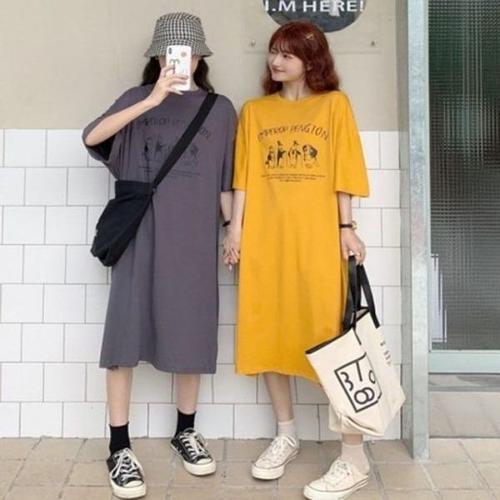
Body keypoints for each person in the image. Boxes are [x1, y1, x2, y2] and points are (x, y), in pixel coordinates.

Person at [83, 12, 236, 499]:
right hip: (140, 235)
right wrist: (152, 99)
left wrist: (234, 231)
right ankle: (119, 446)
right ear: (157, 56)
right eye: (172, 52)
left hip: (193, 238)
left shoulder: (220, 109)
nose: (181, 60)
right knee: (124, 333)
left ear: (200, 56)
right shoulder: (136, 98)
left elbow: (226, 180)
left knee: (192, 329)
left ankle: (185, 431)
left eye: (188, 52)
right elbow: (92, 137)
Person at [224, 20, 371, 500]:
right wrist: (235, 231)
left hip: (317, 242)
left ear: (311, 61)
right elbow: (244, 177)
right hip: (266, 242)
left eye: (287, 54)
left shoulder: (334, 105)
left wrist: (346, 227)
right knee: (269, 331)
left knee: (333, 340)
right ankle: (286, 434)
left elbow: (345, 170)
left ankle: (354, 456)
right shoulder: (255, 111)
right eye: (273, 52)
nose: (276, 61)